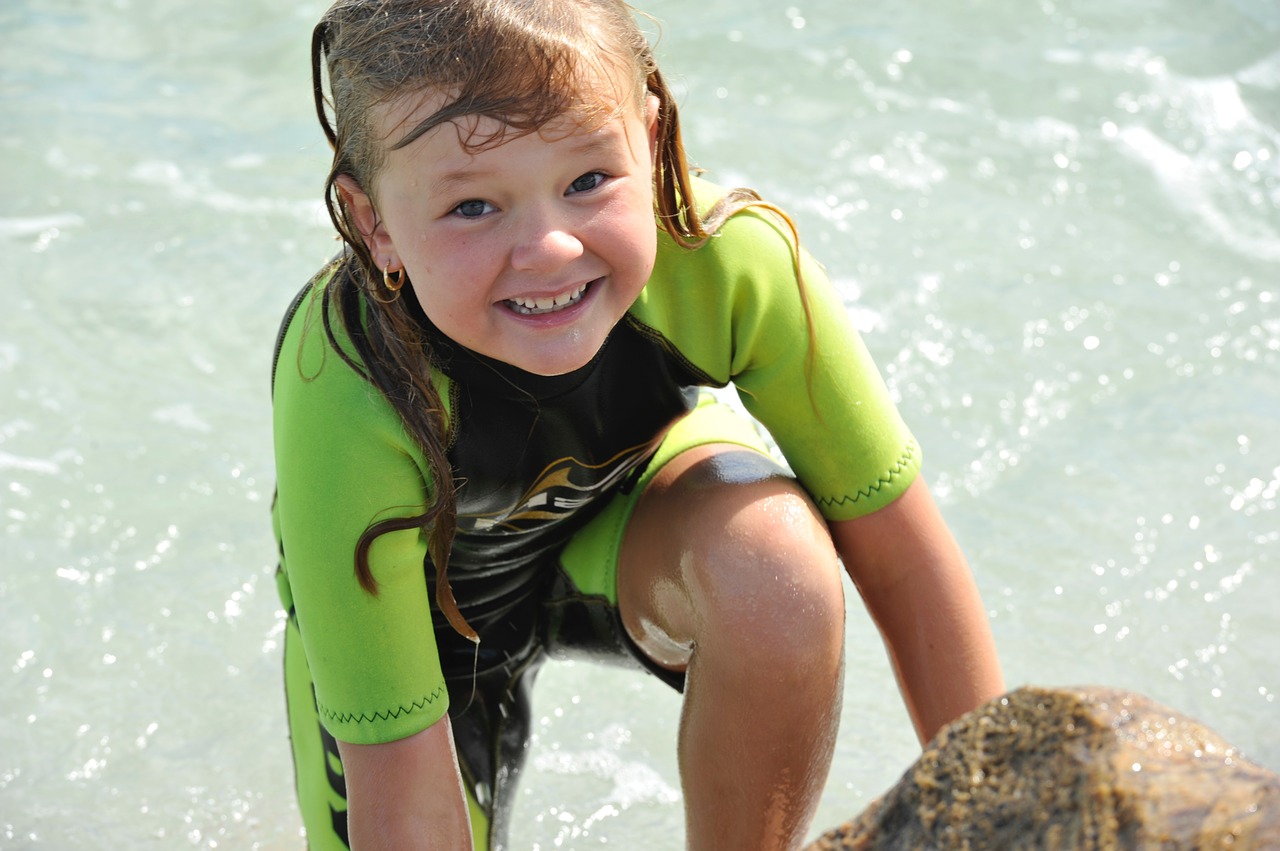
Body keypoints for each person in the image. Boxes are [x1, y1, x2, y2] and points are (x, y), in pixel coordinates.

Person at [270, 0, 1005, 848]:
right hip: (420, 623)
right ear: (376, 225)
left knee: (777, 569)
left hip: (627, 515)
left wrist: (1002, 815)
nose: (548, 248)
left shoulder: (725, 260)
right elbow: (398, 791)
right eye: (473, 206)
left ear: (648, 144)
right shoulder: (351, 383)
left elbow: (905, 557)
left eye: (587, 181)